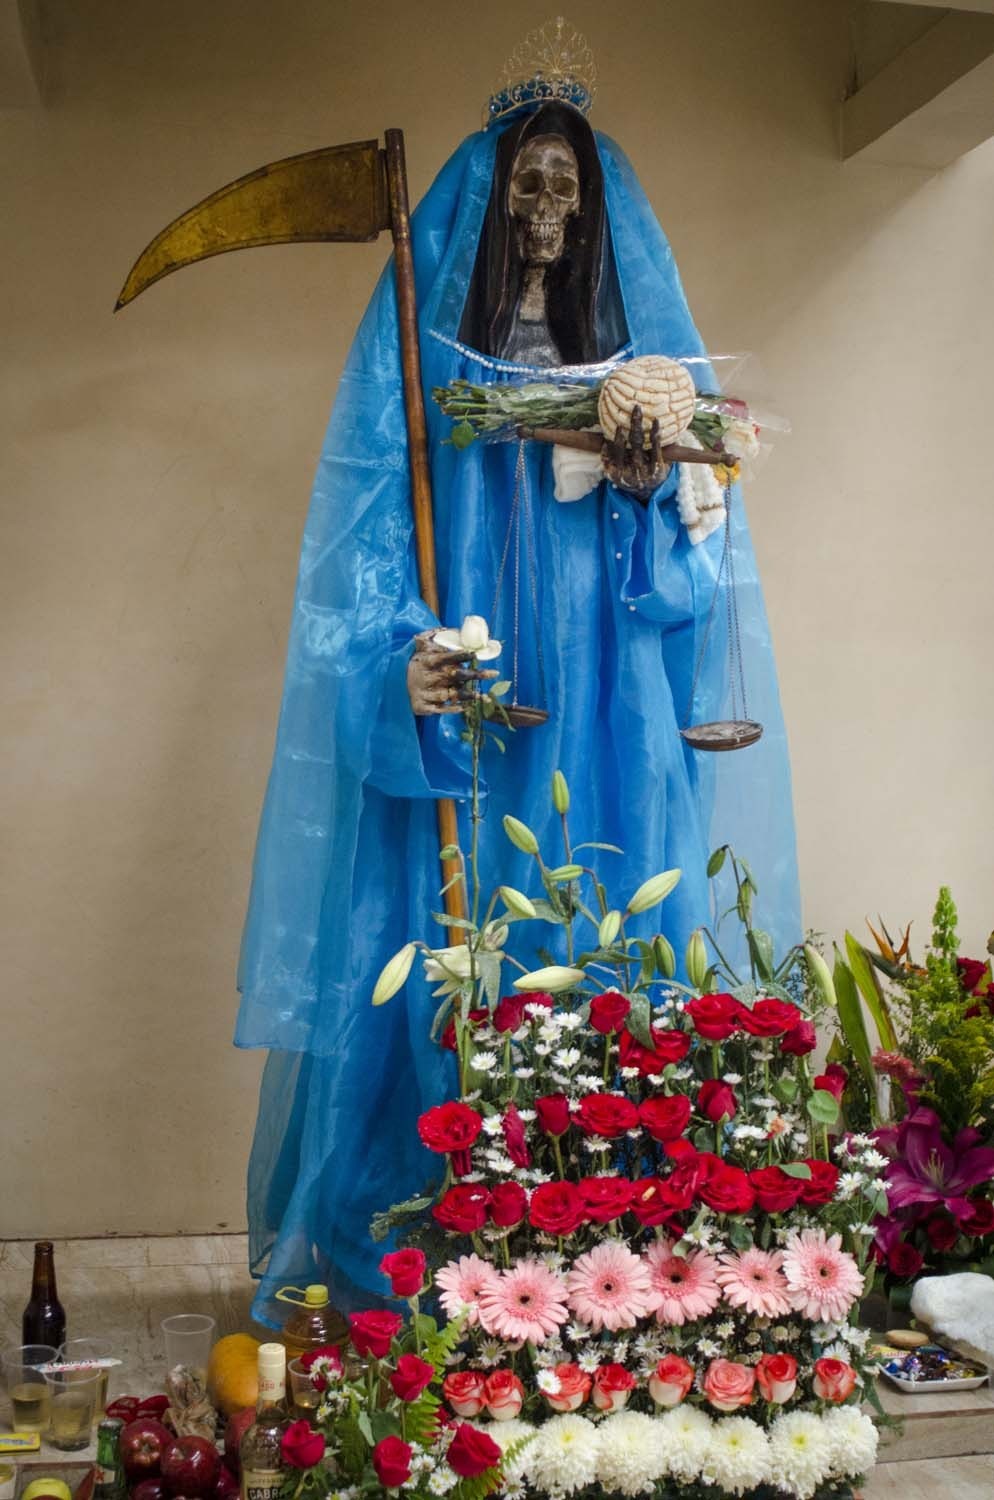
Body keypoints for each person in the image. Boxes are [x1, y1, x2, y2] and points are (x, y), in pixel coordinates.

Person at [235, 36, 799, 1325]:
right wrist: (402, 661)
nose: (545, 213)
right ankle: (457, 1232)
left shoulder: (630, 377)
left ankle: (606, 1232)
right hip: (482, 726)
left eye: (567, 192)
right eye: (526, 188)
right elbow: (366, 565)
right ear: (490, 205)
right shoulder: (430, 379)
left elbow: (681, 596)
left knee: (607, 916)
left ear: (593, 215)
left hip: (605, 722)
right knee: (467, 937)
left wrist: (656, 493)